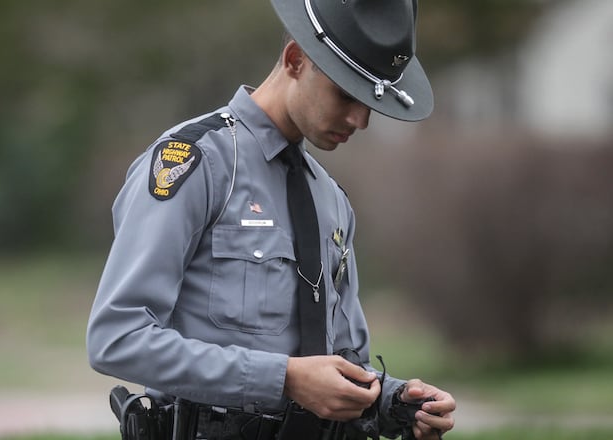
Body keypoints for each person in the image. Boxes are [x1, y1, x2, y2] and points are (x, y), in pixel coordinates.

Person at [87, 0, 456, 438]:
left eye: (370, 103)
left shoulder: (331, 199)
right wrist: (284, 379)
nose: (360, 120)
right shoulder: (196, 162)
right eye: (345, 93)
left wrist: (393, 403)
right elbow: (117, 338)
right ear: (296, 59)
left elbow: (343, 368)